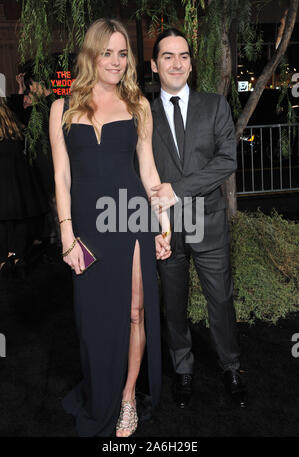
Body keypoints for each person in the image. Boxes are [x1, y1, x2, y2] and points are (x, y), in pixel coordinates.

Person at [49, 19, 171, 437]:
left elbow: (149, 170)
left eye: (123, 54)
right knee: (93, 320)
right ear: (92, 55)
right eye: (108, 53)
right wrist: (67, 235)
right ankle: (101, 389)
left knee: (135, 311)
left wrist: (164, 223)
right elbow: (61, 177)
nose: (117, 62)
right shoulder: (61, 107)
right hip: (87, 227)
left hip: (132, 218)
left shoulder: (138, 105)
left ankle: (128, 399)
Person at [150, 28, 248, 409]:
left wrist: (178, 188)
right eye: (168, 56)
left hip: (208, 220)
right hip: (166, 228)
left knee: (220, 299)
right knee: (173, 304)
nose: (177, 63)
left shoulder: (215, 105)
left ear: (191, 62)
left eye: (184, 56)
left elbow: (226, 161)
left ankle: (231, 366)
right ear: (155, 64)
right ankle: (183, 368)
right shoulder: (144, 112)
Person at [0, 97, 48, 278]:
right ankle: (17, 257)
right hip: (19, 184)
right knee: (20, 220)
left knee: (3, 223)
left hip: (3, 186)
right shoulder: (16, 130)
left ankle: (4, 259)